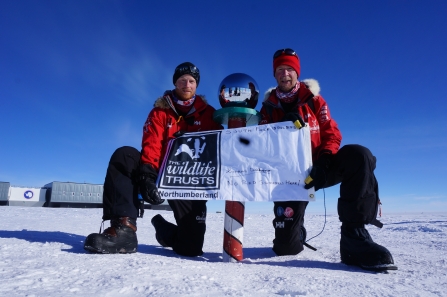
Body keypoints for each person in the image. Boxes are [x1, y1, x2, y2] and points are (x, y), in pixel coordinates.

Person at [259, 48, 395, 270]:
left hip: (320, 168)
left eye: (290, 69)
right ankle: (296, 232)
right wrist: (283, 123)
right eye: (280, 70)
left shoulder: (315, 101)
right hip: (290, 178)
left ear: (297, 73)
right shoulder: (267, 108)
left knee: (358, 156)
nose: (285, 74)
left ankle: (354, 238)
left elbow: (331, 133)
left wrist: (324, 162)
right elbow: (262, 141)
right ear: (274, 75)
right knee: (285, 248)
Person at [84, 62, 223, 257]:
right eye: (182, 80)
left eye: (191, 81)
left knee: (190, 248)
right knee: (125, 155)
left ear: (196, 85)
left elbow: (220, 144)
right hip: (159, 170)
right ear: (175, 82)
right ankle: (124, 230)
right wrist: (148, 176)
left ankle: (164, 231)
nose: (187, 85)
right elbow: (152, 144)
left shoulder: (209, 113)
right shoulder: (159, 111)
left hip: (189, 179)